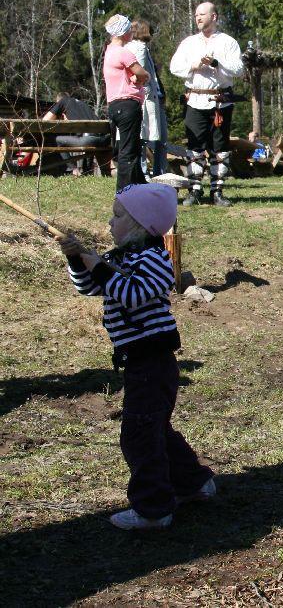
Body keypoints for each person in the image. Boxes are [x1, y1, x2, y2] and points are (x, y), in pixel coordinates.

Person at [56, 183, 215, 530]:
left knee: (139, 434)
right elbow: (89, 287)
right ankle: (193, 483)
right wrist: (77, 258)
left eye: (117, 216)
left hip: (154, 360)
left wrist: (95, 263)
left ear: (141, 225)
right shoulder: (120, 258)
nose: (110, 223)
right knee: (154, 426)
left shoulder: (155, 259)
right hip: (136, 360)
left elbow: (133, 293)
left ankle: (154, 508)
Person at [169, 2, 244, 206]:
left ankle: (217, 191)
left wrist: (216, 62)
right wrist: (194, 65)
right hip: (195, 100)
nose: (198, 18)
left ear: (214, 16)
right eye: (196, 15)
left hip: (220, 102)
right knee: (194, 146)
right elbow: (174, 67)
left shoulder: (228, 42)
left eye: (202, 14)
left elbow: (239, 69)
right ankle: (194, 191)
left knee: (219, 146)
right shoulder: (189, 43)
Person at [103, 14, 150, 191]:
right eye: (129, 28)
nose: (132, 31)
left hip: (115, 105)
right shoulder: (124, 52)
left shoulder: (109, 52)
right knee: (129, 150)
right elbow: (143, 73)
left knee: (131, 146)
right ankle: (125, 191)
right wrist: (142, 78)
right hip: (128, 104)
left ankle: (139, 186)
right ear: (123, 32)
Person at [125, 19, 169, 178]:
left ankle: (154, 174)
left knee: (155, 139)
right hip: (147, 99)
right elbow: (142, 75)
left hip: (151, 97)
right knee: (146, 138)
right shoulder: (139, 48)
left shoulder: (135, 48)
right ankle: (148, 175)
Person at [41, 92, 112, 176]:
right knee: (91, 143)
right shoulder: (82, 103)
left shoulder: (63, 101)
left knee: (57, 140)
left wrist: (58, 117)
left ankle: (74, 170)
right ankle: (92, 172)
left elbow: (45, 121)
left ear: (58, 101)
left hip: (88, 139)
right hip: (105, 139)